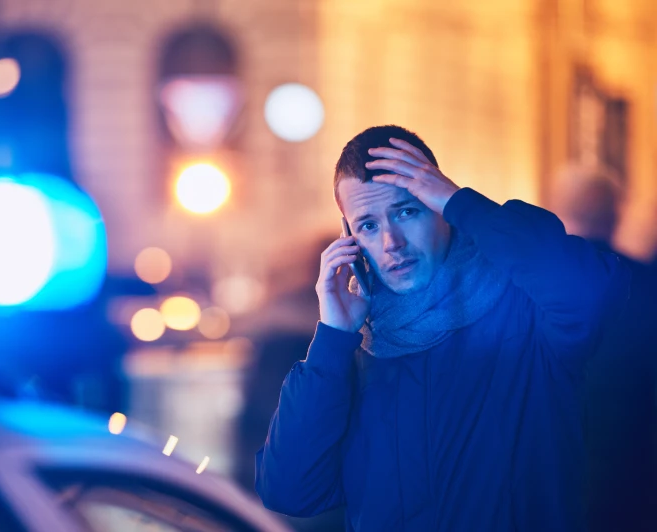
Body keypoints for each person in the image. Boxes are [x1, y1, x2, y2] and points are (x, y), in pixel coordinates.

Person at [255, 125, 629, 531]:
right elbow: (289, 490)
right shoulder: (355, 354)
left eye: (407, 211)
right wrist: (332, 337)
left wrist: (461, 202)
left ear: (440, 209)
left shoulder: (525, 312)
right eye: (367, 226)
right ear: (348, 238)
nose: (391, 241)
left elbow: (591, 291)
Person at [552, 165, 657, 531]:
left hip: (549, 479)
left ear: (554, 211)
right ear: (616, 215)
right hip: (633, 480)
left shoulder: (528, 290)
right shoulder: (647, 286)